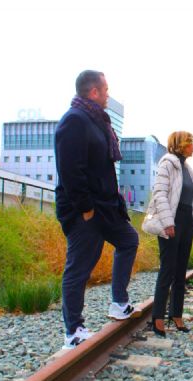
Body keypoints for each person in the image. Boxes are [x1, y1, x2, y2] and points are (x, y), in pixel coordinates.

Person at [54, 70, 140, 349]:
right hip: (86, 209)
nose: (107, 94)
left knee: (128, 240)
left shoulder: (96, 121)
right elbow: (69, 169)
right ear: (94, 92)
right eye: (105, 90)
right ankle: (73, 331)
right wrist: (85, 208)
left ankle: (118, 302)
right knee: (79, 267)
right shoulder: (75, 121)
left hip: (105, 205)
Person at [149, 131, 193, 337]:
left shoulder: (189, 170)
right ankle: (157, 318)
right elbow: (160, 194)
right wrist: (167, 222)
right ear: (181, 145)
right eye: (191, 143)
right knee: (168, 269)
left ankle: (176, 315)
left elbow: (183, 195)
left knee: (180, 271)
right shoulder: (167, 164)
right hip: (171, 221)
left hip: (185, 220)